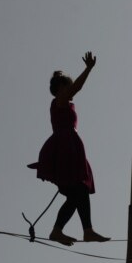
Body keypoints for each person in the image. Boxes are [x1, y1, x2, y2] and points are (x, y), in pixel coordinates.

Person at [28, 51, 110, 246]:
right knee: (77, 191)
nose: (70, 89)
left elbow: (74, 89)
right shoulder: (59, 101)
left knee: (78, 193)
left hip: (69, 148)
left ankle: (73, 230)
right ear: (60, 88)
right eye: (67, 85)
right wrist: (88, 69)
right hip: (65, 150)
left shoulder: (63, 103)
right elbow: (77, 88)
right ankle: (82, 230)